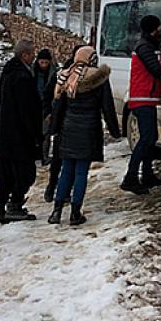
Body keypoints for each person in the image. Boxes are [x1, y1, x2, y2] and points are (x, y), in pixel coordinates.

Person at [48, 47, 121, 226]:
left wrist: (54, 129)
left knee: (66, 170)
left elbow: (58, 105)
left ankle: (56, 212)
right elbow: (107, 106)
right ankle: (75, 213)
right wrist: (115, 130)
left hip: (67, 129)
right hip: (88, 130)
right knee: (81, 172)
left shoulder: (66, 76)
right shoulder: (99, 78)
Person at [121, 15, 161, 195]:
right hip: (143, 99)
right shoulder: (144, 47)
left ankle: (147, 175)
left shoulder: (150, 47)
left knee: (151, 138)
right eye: (160, 28)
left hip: (148, 98)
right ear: (153, 29)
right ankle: (130, 178)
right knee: (146, 139)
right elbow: (157, 70)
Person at [0, 39, 43, 224]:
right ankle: (15, 205)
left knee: (5, 175)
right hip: (19, 137)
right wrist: (36, 134)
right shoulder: (22, 77)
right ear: (25, 55)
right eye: (32, 53)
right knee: (25, 174)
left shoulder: (8, 72)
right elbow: (27, 110)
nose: (34, 56)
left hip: (4, 134)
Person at [43, 45, 84, 202]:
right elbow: (48, 94)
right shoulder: (63, 74)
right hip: (63, 122)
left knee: (68, 160)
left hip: (73, 123)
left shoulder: (85, 75)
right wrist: (48, 113)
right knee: (60, 159)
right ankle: (52, 187)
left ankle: (63, 191)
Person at [33, 48, 57, 166]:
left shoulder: (54, 74)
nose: (43, 65)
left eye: (46, 63)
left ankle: (44, 156)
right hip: (34, 106)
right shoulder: (33, 72)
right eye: (41, 62)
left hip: (47, 107)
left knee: (46, 134)